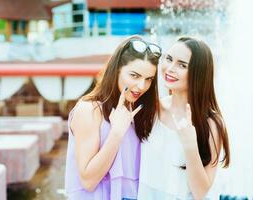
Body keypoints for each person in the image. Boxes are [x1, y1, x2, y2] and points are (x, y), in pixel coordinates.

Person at [64, 35, 161, 200]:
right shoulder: (90, 110)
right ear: (117, 70)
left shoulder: (139, 110)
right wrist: (116, 134)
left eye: (148, 79)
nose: (141, 86)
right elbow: (88, 181)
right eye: (134, 76)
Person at [138, 37, 230, 200]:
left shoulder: (210, 124)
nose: (170, 68)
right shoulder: (151, 110)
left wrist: (190, 145)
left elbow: (201, 193)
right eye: (169, 59)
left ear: (198, 73)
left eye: (182, 65)